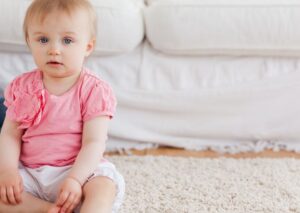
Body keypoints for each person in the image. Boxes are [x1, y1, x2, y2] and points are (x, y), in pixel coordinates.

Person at [0, 0, 125, 212]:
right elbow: (10, 135)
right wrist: (8, 171)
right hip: (31, 173)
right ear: (29, 41)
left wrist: (76, 179)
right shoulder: (22, 87)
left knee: (103, 185)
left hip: (78, 171)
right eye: (43, 39)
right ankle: (44, 209)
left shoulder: (94, 89)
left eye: (67, 40)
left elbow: (94, 143)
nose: (54, 50)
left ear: (88, 47)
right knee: (4, 191)